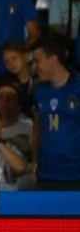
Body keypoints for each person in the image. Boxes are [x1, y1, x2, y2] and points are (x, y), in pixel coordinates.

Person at [31, 32, 80, 190]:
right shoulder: (39, 90)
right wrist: (35, 160)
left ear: (53, 59)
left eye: (38, 61)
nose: (34, 67)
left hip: (76, 175)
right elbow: (38, 126)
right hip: (46, 173)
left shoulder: (78, 87)